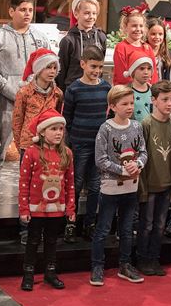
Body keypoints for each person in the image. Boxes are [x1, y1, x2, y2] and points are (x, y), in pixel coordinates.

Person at [0, 0, 50, 184]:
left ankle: (32, 188)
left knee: (33, 146)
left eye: (30, 10)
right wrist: (14, 92)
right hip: (6, 99)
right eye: (22, 10)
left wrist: (32, 91)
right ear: (11, 11)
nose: (27, 14)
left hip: (33, 100)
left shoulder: (40, 37)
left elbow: (46, 67)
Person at [91, 85, 147, 286]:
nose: (130, 107)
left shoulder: (137, 126)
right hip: (111, 187)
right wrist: (123, 170)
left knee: (126, 229)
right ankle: (97, 265)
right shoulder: (105, 128)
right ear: (113, 106)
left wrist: (138, 164)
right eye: (124, 104)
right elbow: (101, 159)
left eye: (131, 103)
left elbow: (143, 152)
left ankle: (125, 264)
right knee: (103, 228)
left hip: (131, 187)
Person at [19, 109, 76, 291]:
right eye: (54, 129)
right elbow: (23, 183)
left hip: (56, 208)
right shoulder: (31, 153)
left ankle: (50, 272)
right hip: (36, 208)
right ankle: (28, 273)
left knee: (52, 240)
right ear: (42, 132)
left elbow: (70, 183)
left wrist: (70, 208)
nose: (59, 132)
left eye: (61, 129)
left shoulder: (66, 153)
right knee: (33, 240)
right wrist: (24, 209)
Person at [62, 45, 110, 243]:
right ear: (83, 64)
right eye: (93, 66)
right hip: (80, 144)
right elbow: (67, 118)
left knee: (96, 186)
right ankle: (70, 223)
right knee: (76, 183)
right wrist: (72, 140)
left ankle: (90, 223)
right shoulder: (74, 89)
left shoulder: (106, 87)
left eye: (100, 67)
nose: (97, 71)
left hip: (99, 146)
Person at [136, 80, 171, 276]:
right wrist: (142, 188)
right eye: (164, 100)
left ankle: (154, 258)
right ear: (153, 100)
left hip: (167, 184)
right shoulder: (146, 125)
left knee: (160, 224)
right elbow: (141, 157)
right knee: (147, 224)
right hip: (149, 185)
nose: (169, 104)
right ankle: (142, 259)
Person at [12, 48, 63, 158]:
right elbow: (17, 120)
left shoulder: (58, 93)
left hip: (49, 144)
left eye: (55, 68)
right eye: (48, 67)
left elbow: (58, 117)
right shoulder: (24, 92)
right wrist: (19, 144)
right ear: (39, 69)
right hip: (27, 144)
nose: (52, 71)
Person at [57, 0, 106, 92]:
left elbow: (101, 64)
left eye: (94, 13)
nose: (91, 17)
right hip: (73, 90)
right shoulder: (68, 41)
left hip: (95, 89)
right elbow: (61, 70)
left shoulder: (101, 37)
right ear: (76, 14)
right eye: (87, 13)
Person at [112, 2, 158, 86]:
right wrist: (138, 86)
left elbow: (153, 73)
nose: (138, 29)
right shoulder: (121, 47)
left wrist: (153, 88)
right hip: (126, 90)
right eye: (134, 26)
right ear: (125, 27)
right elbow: (121, 74)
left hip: (146, 90)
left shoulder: (147, 48)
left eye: (141, 26)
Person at [125, 51, 153, 122]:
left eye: (149, 68)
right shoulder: (125, 92)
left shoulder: (154, 91)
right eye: (142, 68)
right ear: (133, 71)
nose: (146, 72)